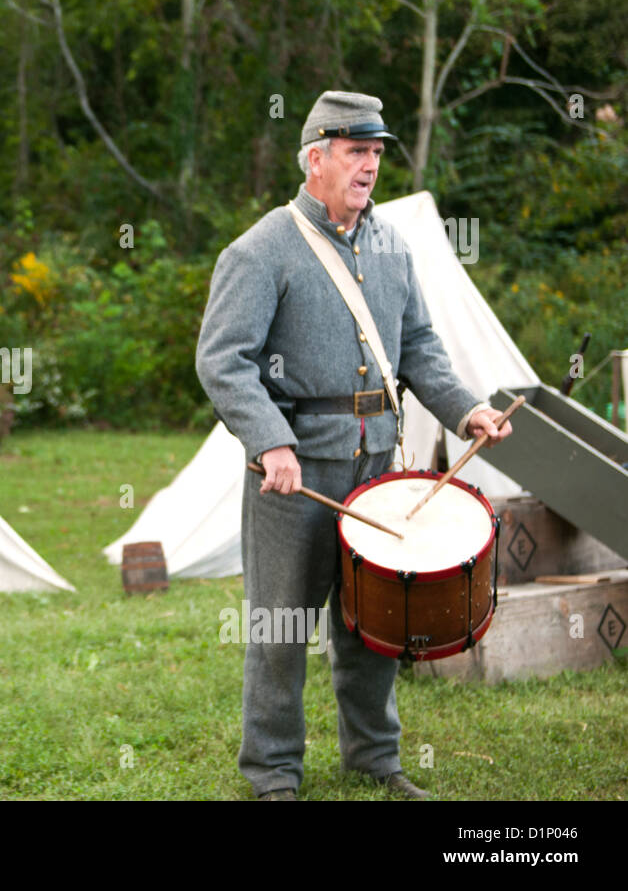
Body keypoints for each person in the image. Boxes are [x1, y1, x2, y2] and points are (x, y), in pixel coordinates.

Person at [195, 91, 512, 801]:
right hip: (297, 470)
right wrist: (272, 442)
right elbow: (222, 360)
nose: (370, 165)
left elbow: (421, 348)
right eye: (355, 151)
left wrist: (468, 411)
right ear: (315, 159)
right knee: (281, 629)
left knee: (377, 622)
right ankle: (274, 772)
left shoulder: (393, 244)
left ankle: (375, 757)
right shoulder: (260, 249)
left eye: (376, 152)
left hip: (379, 467)